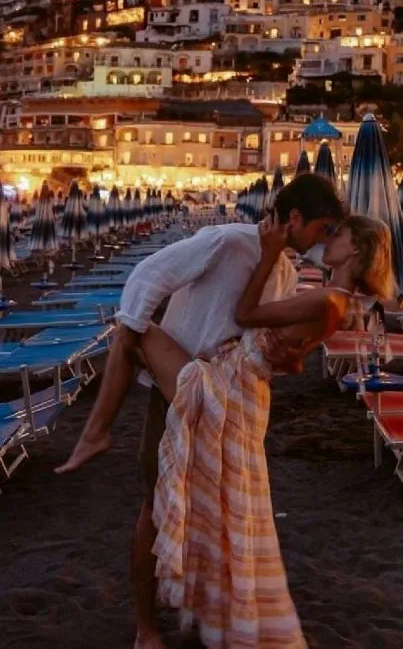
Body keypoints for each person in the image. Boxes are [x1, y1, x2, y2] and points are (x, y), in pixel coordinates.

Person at [56, 173, 345, 649]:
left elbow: (259, 333)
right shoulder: (228, 241)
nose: (322, 239)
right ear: (295, 217)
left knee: (215, 514)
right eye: (322, 228)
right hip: (178, 394)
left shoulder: (287, 273)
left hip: (231, 405)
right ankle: (145, 628)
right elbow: (149, 275)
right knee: (156, 506)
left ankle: (207, 610)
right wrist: (135, 333)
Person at [136, 214, 393, 648]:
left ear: (354, 249)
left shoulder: (328, 300)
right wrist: (279, 351)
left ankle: (96, 433)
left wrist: (270, 253)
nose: (329, 238)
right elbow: (292, 359)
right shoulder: (337, 301)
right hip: (246, 385)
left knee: (135, 328)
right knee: (224, 504)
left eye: (339, 234)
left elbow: (245, 312)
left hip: (229, 382)